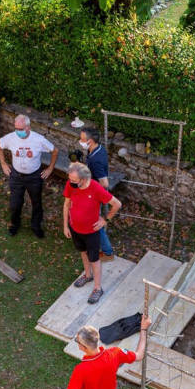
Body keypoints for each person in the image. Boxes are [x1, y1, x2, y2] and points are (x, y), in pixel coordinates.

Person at [63, 162, 122, 305]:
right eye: (70, 179)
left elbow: (117, 204)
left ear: (83, 179)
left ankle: (97, 288)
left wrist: (105, 219)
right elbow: (66, 204)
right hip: (75, 228)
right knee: (83, 252)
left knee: (94, 259)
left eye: (74, 181)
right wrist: (65, 226)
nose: (71, 183)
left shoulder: (96, 188)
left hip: (91, 232)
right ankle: (87, 275)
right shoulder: (71, 185)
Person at [0, 114, 56, 238]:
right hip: (16, 176)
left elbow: (54, 151)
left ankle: (36, 226)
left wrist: (50, 168)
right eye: (16, 128)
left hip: (34, 177)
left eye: (21, 129)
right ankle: (14, 224)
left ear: (28, 127)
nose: (18, 132)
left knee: (36, 202)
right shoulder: (11, 138)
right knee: (15, 203)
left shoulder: (38, 140)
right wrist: (3, 163)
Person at [78, 127, 114, 261]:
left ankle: (107, 252)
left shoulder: (96, 160)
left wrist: (90, 188)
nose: (80, 141)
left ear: (90, 141)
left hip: (93, 195)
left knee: (96, 223)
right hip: (90, 191)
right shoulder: (98, 149)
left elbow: (104, 184)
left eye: (82, 139)